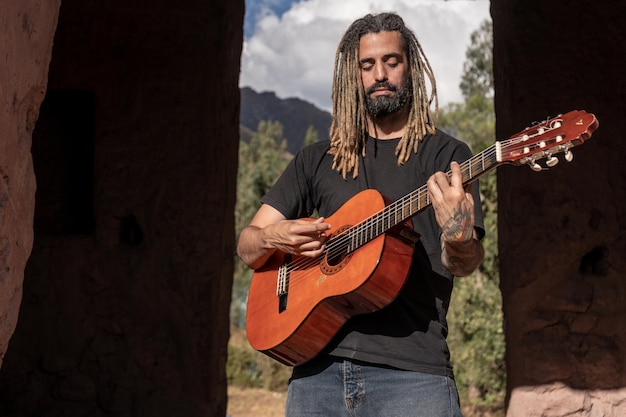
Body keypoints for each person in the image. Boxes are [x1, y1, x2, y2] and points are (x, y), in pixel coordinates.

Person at [237, 11, 485, 417]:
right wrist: (272, 237)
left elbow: (466, 263)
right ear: (353, 76)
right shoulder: (316, 160)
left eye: (392, 61)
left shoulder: (447, 157)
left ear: (412, 67)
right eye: (367, 65)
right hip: (315, 375)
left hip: (414, 376)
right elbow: (248, 246)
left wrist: (459, 237)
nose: (379, 74)